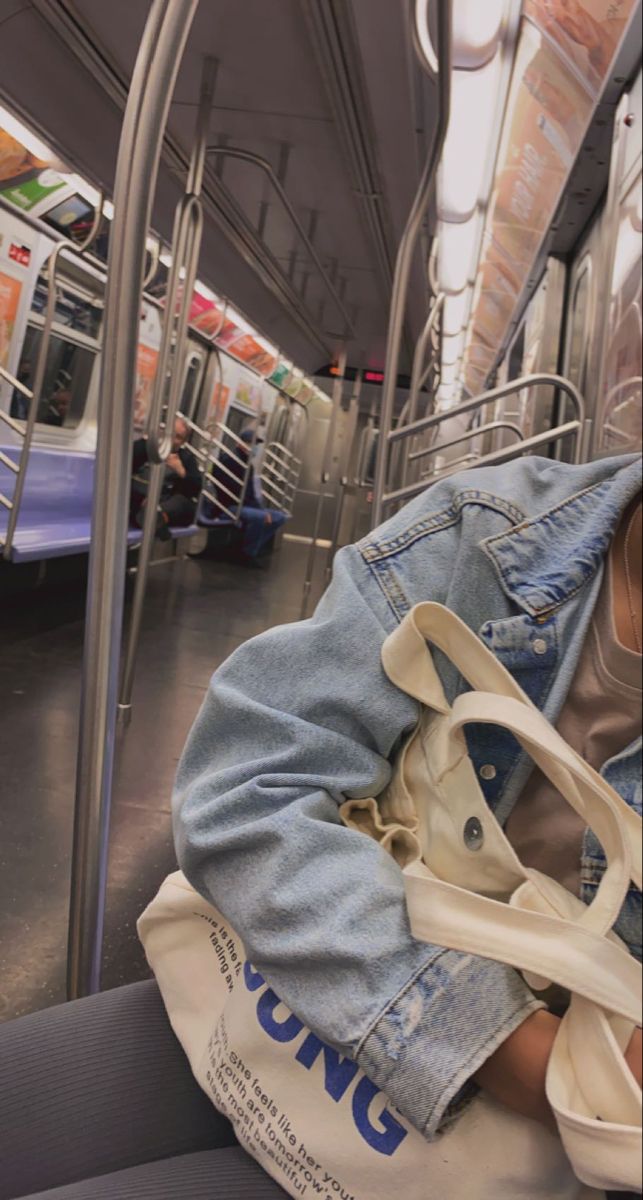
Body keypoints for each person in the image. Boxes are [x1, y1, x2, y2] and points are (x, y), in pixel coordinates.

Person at [0, 453, 640, 1200]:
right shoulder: (485, 530)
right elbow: (250, 781)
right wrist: (496, 1044)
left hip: (534, 1142)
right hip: (316, 970)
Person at [207, 427, 287, 564]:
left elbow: (249, 493)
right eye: (251, 443)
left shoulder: (247, 465)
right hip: (227, 506)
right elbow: (234, 492)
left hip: (242, 505)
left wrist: (259, 509)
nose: (255, 447)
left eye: (256, 444)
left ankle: (250, 547)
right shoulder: (229, 460)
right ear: (240, 443)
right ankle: (246, 555)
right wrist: (259, 511)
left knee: (280, 517)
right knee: (260, 517)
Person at [130, 416, 201, 540]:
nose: (173, 439)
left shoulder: (185, 458)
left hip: (167, 504)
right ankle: (155, 519)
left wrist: (181, 471)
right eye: (171, 434)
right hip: (140, 501)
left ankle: (157, 517)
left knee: (184, 504)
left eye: (178, 437)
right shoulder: (145, 448)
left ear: (183, 442)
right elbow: (125, 472)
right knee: (138, 503)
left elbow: (196, 488)